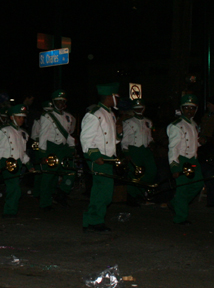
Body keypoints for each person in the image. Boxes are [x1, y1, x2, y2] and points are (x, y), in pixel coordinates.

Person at [80, 83, 120, 232]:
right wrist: (95, 156)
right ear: (110, 97)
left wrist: (119, 134)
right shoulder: (94, 114)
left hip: (108, 158)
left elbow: (112, 140)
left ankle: (93, 221)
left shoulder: (110, 114)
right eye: (116, 97)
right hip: (98, 158)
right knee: (102, 192)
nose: (118, 99)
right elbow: (86, 139)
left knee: (104, 193)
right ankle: (93, 222)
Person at [167, 94, 203, 225]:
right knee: (183, 189)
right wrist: (174, 166)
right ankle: (180, 218)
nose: (189, 111)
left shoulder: (193, 123)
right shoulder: (176, 125)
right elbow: (173, 148)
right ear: (181, 109)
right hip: (182, 159)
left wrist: (200, 142)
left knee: (198, 184)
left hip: (193, 159)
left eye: (192, 108)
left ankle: (176, 203)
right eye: (186, 108)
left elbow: (192, 142)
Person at [38, 90, 77, 210]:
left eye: (62, 101)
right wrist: (42, 154)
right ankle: (45, 202)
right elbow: (43, 136)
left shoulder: (68, 117)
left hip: (63, 148)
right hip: (51, 147)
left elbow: (68, 134)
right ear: (53, 102)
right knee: (49, 176)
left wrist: (72, 147)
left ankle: (61, 193)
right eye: (58, 101)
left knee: (71, 172)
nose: (60, 103)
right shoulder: (47, 116)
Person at [0, 104, 34, 217]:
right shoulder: (4, 131)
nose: (21, 120)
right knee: (14, 188)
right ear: (12, 117)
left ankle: (11, 209)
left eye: (23, 117)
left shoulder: (24, 133)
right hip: (7, 162)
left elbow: (22, 151)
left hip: (18, 164)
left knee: (14, 188)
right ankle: (9, 211)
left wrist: (28, 164)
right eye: (19, 117)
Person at [121, 98, 157, 206]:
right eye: (137, 107)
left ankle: (141, 190)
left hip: (145, 150)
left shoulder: (148, 121)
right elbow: (125, 139)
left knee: (152, 171)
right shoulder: (128, 122)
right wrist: (126, 152)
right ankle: (134, 196)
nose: (139, 109)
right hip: (134, 149)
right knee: (133, 173)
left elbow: (149, 137)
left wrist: (152, 142)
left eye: (141, 107)